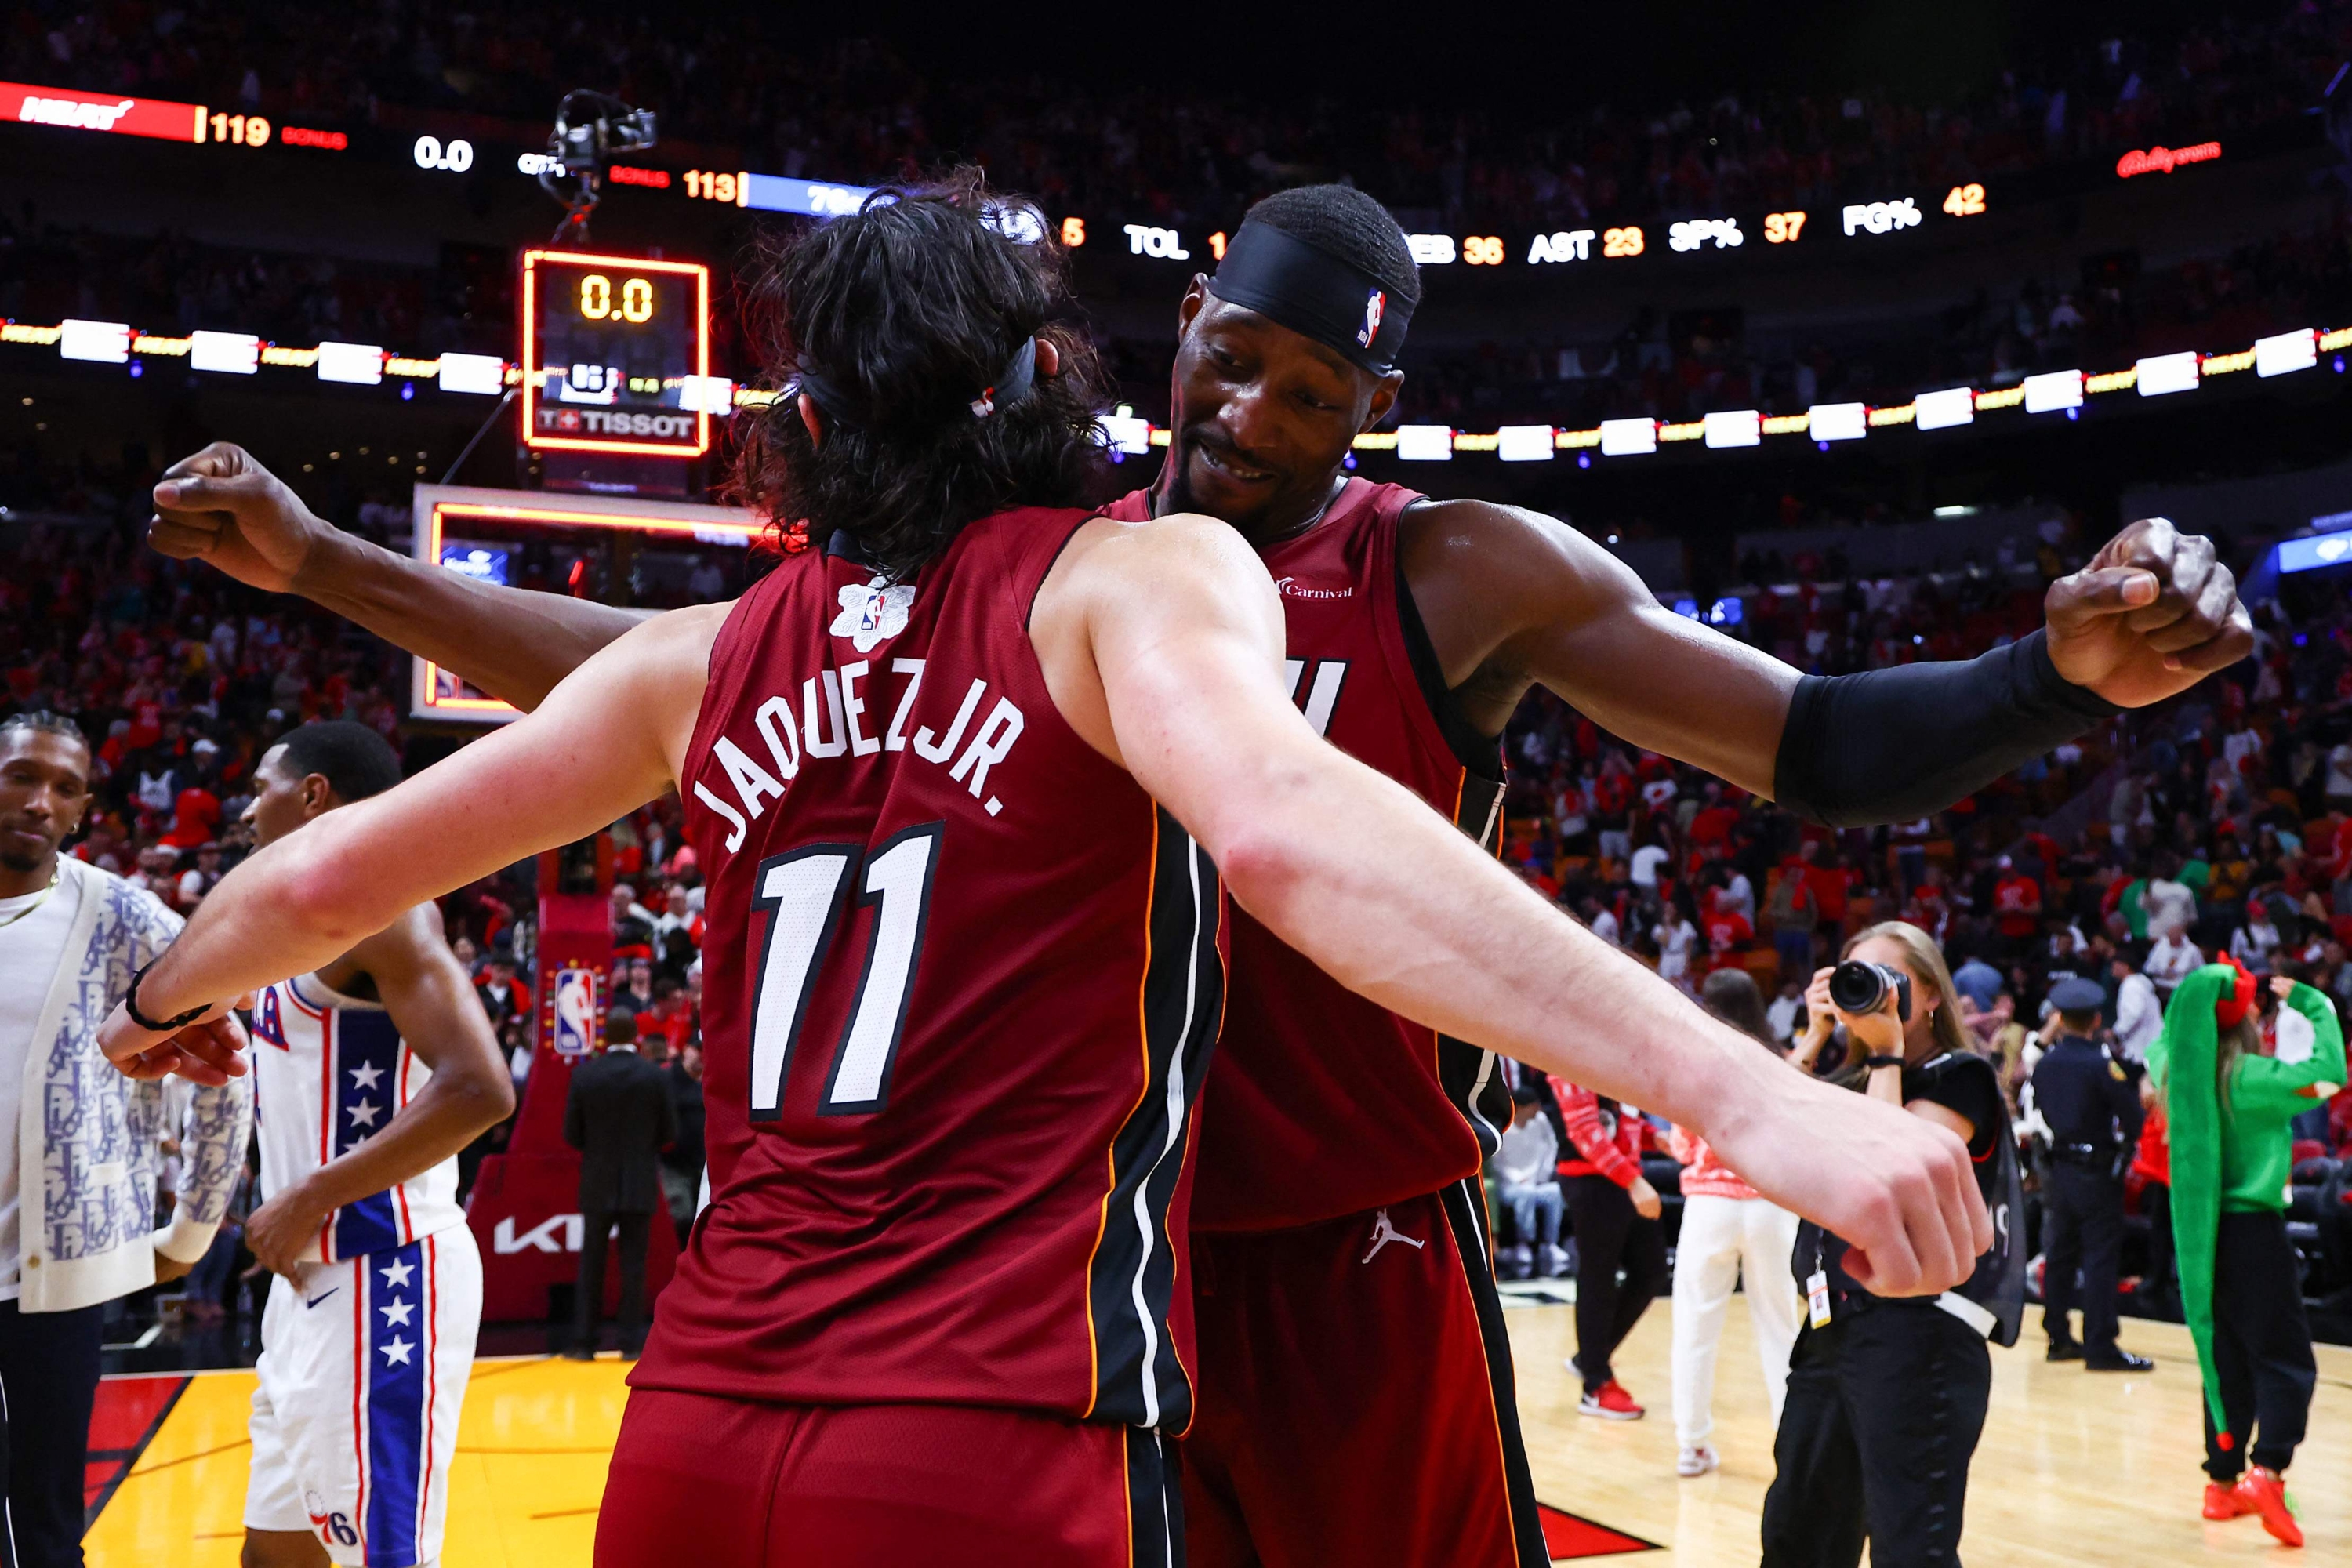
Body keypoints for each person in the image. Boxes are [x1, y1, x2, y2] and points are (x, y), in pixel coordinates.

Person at [143, 172, 2242, 1568]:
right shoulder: (1056, 558)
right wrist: (333, 568)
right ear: (1178, 331)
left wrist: (2044, 680)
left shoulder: (1453, 570)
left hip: (1343, 1265)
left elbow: (1814, 748)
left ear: (1375, 404)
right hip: (1070, 1290)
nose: (1247, 409)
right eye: (1228, 357)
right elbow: (651, 680)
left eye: (1307, 389)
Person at [223, 721, 515, 1568]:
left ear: (313, 794)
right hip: (308, 1283)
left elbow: (481, 1087)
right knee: (274, 1553)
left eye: (262, 786)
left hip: (387, 1276)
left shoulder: (384, 909)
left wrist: (309, 1195)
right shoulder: (287, 918)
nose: (247, 808)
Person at [1, 712, 251, 1568]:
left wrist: (191, 1230)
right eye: (21, 775)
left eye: (64, 788)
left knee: (43, 1522)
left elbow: (229, 1067)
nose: (40, 801)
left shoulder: (122, 916)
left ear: (82, 811)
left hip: (56, 1273)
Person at [1765, 922, 2026, 1568]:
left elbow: (1884, 1177)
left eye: (1888, 982)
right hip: (1831, 1328)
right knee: (1798, 1536)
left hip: (1919, 1334)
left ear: (1931, 995)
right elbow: (1765, 1152)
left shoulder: (1959, 1077)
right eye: (1856, 980)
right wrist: (1818, 1033)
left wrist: (1883, 1058)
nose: (1871, 996)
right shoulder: (1849, 1082)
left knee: (1910, 1548)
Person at [2151, 961, 2343, 1548]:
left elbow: (2168, 1038)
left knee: (2224, 1357)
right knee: (2286, 1361)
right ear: (2245, 1025)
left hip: (2200, 1235)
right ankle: (2269, 1470)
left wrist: (2201, 992)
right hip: (2254, 1233)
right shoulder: (2253, 1078)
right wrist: (2314, 1003)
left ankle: (2222, 1481)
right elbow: (2331, 1075)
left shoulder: (2171, 1071)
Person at [1668, 970, 1802, 1479]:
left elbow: (1682, 1145)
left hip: (1709, 1207)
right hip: (1769, 1206)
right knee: (1780, 1327)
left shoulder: (1693, 1059)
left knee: (1695, 1328)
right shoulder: (1778, 1060)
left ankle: (1692, 1445)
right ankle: (1790, 1444)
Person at [2027, 977, 2152, 1371]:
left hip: (2057, 1166)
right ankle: (2100, 1344)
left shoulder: (2045, 1064)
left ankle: (2058, 1336)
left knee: (2060, 1254)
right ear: (2097, 1020)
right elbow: (2134, 1117)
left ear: (2060, 1019)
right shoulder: (2102, 1066)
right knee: (2099, 1256)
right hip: (2096, 1170)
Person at [1553, 1072, 1668, 1420]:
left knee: (1651, 1272)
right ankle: (1595, 1386)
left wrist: (1655, 1137)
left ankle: (1589, 1359)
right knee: (1597, 1279)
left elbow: (1624, 1119)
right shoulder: (1567, 1054)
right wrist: (1633, 1182)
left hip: (1621, 1178)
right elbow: (1585, 1131)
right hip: (1590, 1181)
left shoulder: (1609, 1053)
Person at [564, 1011, 677, 1359]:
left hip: (597, 1180)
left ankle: (584, 1343)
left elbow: (572, 1134)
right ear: (636, 1035)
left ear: (605, 1035)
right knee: (634, 1264)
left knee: (592, 1263)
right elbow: (670, 1132)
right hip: (640, 1179)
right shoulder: (653, 1076)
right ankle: (631, 1343)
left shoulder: (584, 1075)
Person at [1491, 1086, 1566, 1279]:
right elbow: (1496, 1162)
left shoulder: (1540, 1121)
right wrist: (1517, 1178)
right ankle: (1524, 1245)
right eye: (1534, 1106)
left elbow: (1552, 1145)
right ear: (1522, 1108)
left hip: (1537, 1180)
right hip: (1509, 1185)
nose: (1539, 1110)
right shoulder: (1503, 1127)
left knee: (1555, 1192)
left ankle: (1550, 1244)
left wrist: (1543, 1174)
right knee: (1525, 1195)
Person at [2109, 944, 2163, 1061]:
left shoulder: (2131, 985)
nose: (2112, 967)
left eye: (2116, 964)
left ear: (2126, 966)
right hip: (2151, 1042)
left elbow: (2134, 1014)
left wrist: (2116, 1031)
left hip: (2142, 1047)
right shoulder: (2139, 983)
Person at [2146, 924, 2205, 1001]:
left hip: (2181, 989)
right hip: (2160, 987)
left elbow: (2201, 971)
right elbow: (2149, 969)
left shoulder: (2192, 950)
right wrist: (2162, 973)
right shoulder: (2160, 946)